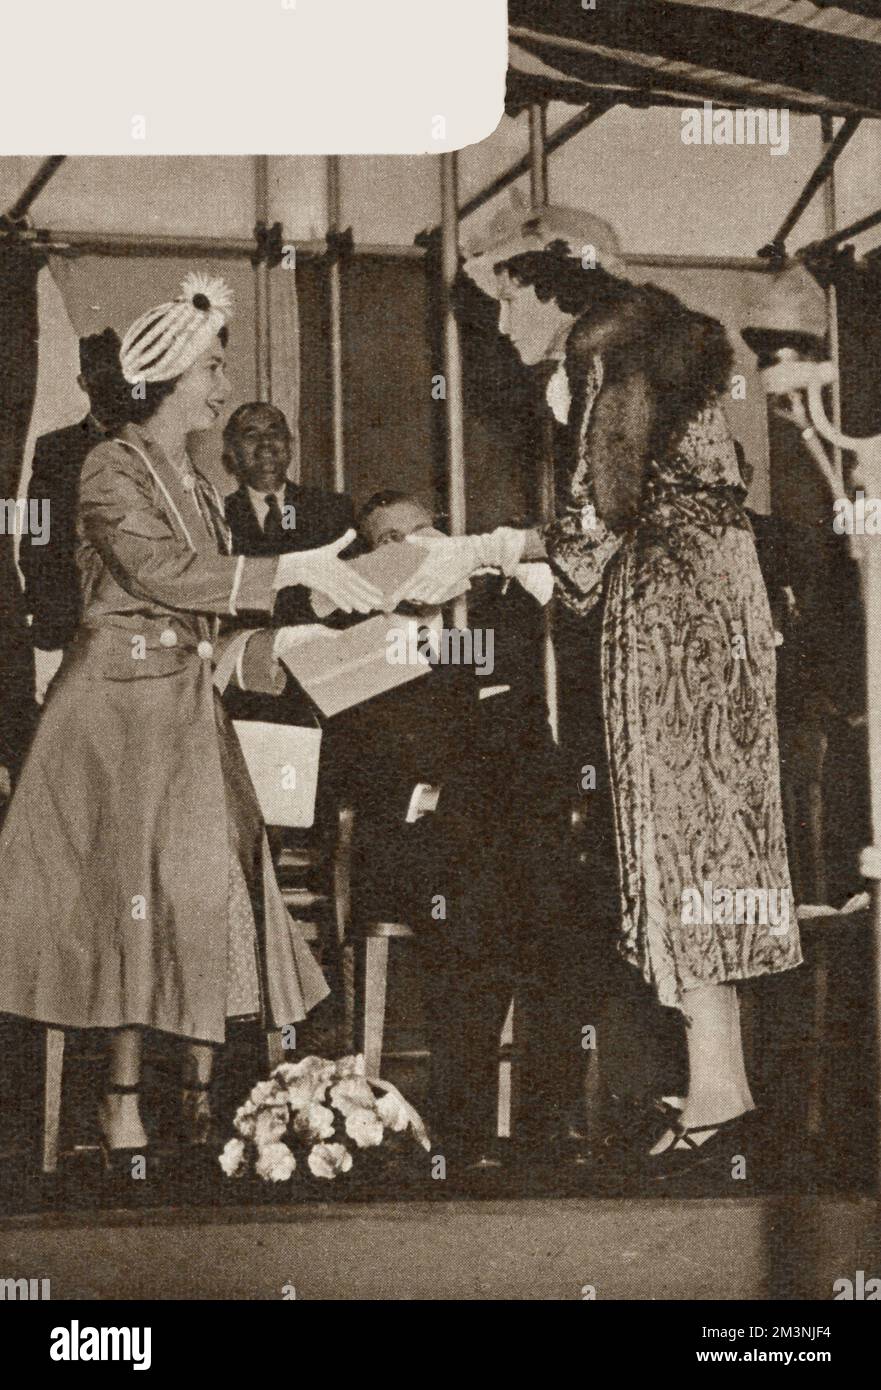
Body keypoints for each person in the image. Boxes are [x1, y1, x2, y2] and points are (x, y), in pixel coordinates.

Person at [396, 215, 802, 1176]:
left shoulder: (602, 351)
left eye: (503, 302)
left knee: (674, 836)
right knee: (711, 836)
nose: (498, 326)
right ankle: (721, 1084)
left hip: (668, 617)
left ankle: (718, 1094)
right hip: (718, 607)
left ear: (545, 289)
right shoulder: (656, 342)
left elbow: (593, 524)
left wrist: (488, 550)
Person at [0, 273, 382, 1172]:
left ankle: (199, 1097)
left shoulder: (196, 483)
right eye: (212, 369)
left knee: (200, 899)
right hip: (116, 715)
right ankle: (120, 1098)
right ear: (169, 373)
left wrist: (304, 623)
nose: (220, 387)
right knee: (130, 904)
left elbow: (211, 615)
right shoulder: (109, 466)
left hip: (183, 709)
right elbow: (163, 575)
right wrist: (293, 572)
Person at [341, 490, 576, 1165]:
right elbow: (375, 759)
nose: (414, 549)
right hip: (428, 836)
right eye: (391, 540)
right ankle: (465, 1129)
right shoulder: (366, 636)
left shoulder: (502, 607)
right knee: (480, 901)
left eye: (424, 531)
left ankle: (545, 1125)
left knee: (558, 912)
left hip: (518, 825)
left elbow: (529, 725)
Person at [20, 328, 132, 706]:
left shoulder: (146, 445)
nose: (113, 382)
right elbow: (35, 530)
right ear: (83, 382)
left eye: (119, 372)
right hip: (75, 614)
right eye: (101, 373)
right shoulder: (54, 449)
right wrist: (43, 603)